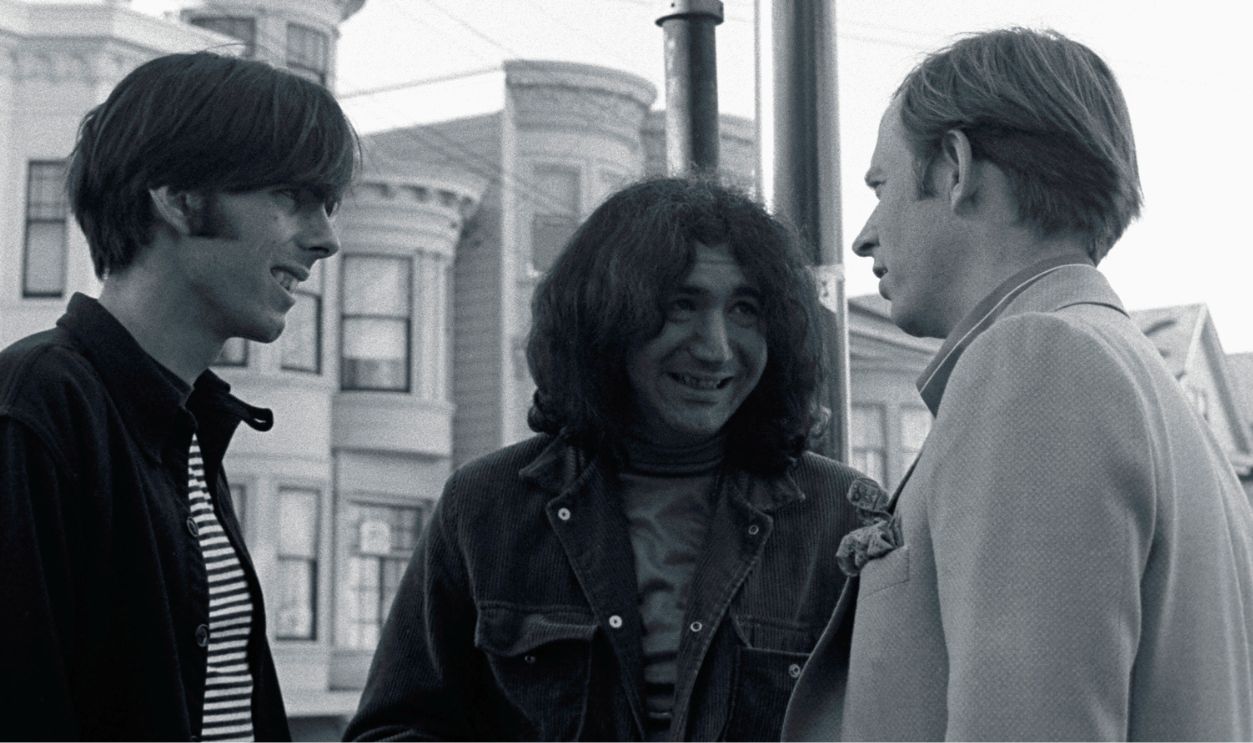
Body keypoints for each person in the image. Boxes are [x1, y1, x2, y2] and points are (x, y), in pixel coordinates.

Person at [783, 27, 1253, 741]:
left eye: (881, 186)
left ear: (955, 167)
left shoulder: (1036, 361)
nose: (864, 235)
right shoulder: (1152, 390)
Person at [345, 176, 864, 741]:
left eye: (745, 309)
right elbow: (392, 730)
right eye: (680, 305)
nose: (715, 347)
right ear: (604, 318)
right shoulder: (486, 506)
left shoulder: (842, 518)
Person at [0, 52, 358, 740]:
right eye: (289, 195)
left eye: (327, 204)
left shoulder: (187, 431)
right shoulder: (38, 409)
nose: (325, 239)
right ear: (176, 196)